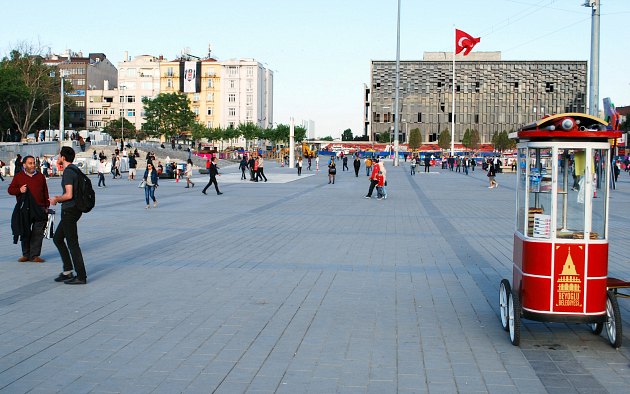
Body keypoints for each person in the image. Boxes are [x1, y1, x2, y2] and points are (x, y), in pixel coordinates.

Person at [49, 146, 87, 285]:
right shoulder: (75, 169)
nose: (58, 158)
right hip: (74, 209)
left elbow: (69, 195)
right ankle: (67, 270)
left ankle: (81, 276)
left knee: (72, 243)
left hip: (69, 210)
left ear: (63, 158)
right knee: (58, 238)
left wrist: (56, 199)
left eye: (59, 156)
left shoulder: (68, 172)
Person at [8, 155, 50, 263]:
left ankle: (34, 255)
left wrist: (46, 206)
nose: (32, 165)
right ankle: (26, 254)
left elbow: (45, 192)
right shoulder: (18, 176)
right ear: (24, 165)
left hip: (40, 208)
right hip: (25, 209)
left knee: (38, 232)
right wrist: (19, 190)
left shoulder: (40, 176)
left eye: (33, 163)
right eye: (30, 163)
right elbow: (10, 190)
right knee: (25, 231)